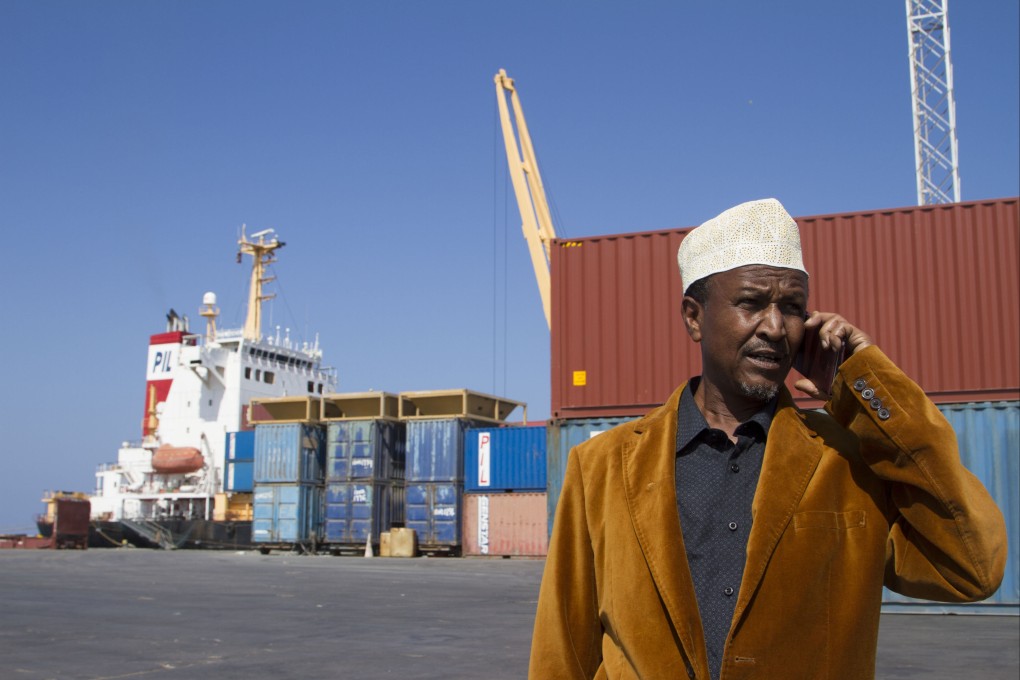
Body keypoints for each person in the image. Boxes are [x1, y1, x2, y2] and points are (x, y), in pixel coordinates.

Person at [528, 198, 1007, 680]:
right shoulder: (602, 467)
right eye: (751, 303)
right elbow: (562, 650)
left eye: (793, 308)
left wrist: (869, 386)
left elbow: (971, 567)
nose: (776, 328)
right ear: (694, 317)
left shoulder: (846, 460)